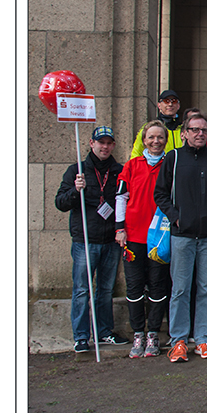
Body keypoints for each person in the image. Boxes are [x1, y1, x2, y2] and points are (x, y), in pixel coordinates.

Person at [154, 115, 207, 362]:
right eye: (194, 130)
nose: (200, 133)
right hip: (182, 234)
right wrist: (176, 217)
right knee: (180, 289)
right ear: (185, 133)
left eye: (204, 130)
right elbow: (161, 193)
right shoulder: (173, 158)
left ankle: (203, 340)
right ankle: (178, 340)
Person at [55, 126, 128, 353]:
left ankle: (104, 332)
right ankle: (81, 336)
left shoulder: (119, 171)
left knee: (105, 289)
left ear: (113, 145)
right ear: (91, 143)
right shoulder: (76, 170)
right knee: (81, 290)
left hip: (110, 240)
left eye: (108, 143)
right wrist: (76, 191)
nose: (104, 147)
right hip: (85, 240)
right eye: (100, 142)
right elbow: (61, 203)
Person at [115, 120, 171, 358]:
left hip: (160, 236)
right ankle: (138, 332)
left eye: (160, 137)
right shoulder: (131, 165)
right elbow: (120, 197)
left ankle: (154, 333)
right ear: (144, 140)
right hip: (134, 234)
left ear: (166, 140)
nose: (155, 141)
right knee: (135, 285)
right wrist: (120, 228)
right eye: (151, 137)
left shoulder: (172, 163)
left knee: (158, 285)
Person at [130, 89, 183, 159]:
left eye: (174, 101)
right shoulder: (148, 128)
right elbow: (136, 154)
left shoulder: (184, 129)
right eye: (166, 101)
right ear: (159, 105)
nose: (170, 104)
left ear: (178, 105)